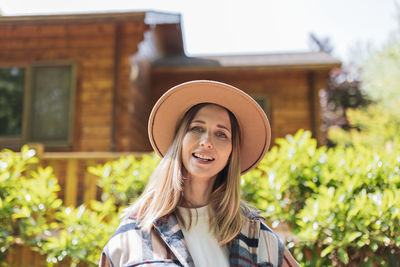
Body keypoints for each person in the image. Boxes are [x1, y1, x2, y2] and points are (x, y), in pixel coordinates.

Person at [99, 80, 299, 267]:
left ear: (232, 153)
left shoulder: (257, 235)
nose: (206, 141)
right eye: (196, 128)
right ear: (180, 141)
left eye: (221, 134)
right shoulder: (132, 234)